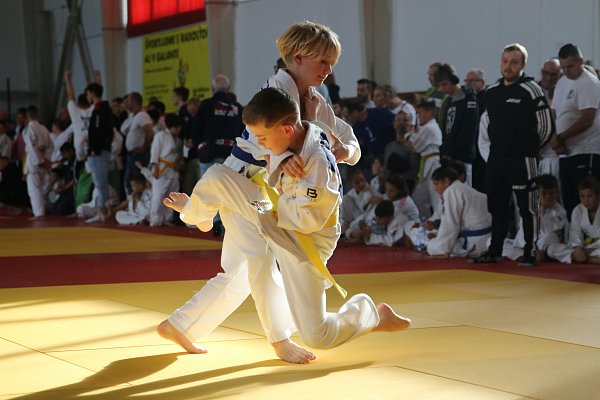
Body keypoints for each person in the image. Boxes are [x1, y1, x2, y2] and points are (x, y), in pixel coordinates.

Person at [157, 21, 362, 364]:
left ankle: (180, 325)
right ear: (298, 57)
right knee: (261, 261)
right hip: (245, 179)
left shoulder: (315, 98)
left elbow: (347, 137)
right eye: (323, 62)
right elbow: (261, 136)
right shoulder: (277, 90)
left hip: (261, 187)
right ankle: (279, 339)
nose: (329, 70)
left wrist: (345, 152)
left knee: (238, 272)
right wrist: (284, 158)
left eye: (332, 63)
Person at [165, 87, 411, 357]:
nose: (261, 145)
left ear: (285, 130)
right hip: (276, 215)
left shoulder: (316, 168)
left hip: (303, 240)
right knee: (217, 177)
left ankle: (372, 316)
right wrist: (278, 161)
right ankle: (198, 215)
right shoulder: (305, 130)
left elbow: (307, 220)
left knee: (316, 335)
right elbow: (308, 129)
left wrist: (278, 182)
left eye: (263, 138)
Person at [474, 43, 554, 267]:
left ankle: (530, 252)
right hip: (496, 160)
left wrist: (530, 149)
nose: (508, 66)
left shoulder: (531, 89)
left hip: (523, 159)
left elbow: (546, 127)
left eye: (514, 62)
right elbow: (487, 126)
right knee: (496, 206)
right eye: (505, 61)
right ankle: (494, 251)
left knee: (528, 207)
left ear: (523, 65)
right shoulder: (492, 92)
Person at [550, 43, 600, 219]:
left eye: (570, 66)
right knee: (570, 199)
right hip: (566, 152)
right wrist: (555, 140)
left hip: (585, 150)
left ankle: (592, 234)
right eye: (563, 67)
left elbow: (587, 119)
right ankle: (574, 234)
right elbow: (556, 114)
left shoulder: (589, 83)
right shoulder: (562, 82)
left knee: (587, 201)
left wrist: (561, 138)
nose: (566, 71)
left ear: (580, 61)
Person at [418, 165, 491, 258]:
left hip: (474, 244)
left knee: (431, 247)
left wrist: (443, 249)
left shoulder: (452, 190)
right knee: (433, 235)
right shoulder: (465, 189)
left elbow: (450, 223)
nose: (435, 189)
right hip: (486, 239)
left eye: (436, 184)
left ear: (446, 181)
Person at [504, 174, 567, 263]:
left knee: (550, 236)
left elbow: (547, 231)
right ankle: (524, 255)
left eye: (551, 193)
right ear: (537, 193)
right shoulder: (529, 207)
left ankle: (531, 255)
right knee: (493, 242)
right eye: (544, 193)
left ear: (557, 193)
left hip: (544, 243)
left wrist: (543, 210)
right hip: (525, 245)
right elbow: (523, 230)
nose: (548, 197)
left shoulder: (560, 211)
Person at [434, 63, 479, 185]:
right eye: (439, 85)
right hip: (449, 154)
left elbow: (469, 129)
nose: (442, 88)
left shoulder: (468, 98)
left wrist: (453, 150)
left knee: (463, 189)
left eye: (445, 84)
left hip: (462, 154)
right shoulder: (448, 100)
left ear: (453, 80)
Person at [136, 113, 182, 226]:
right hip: (161, 169)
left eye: (179, 127)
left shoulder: (178, 140)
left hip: (173, 170)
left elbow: (179, 155)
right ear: (171, 126)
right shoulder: (160, 136)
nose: (179, 129)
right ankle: (155, 219)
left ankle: (168, 218)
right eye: (177, 127)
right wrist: (155, 167)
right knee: (158, 195)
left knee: (172, 195)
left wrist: (178, 164)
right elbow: (154, 153)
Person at [194, 74, 245, 177]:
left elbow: (196, 129)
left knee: (206, 185)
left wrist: (200, 146)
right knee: (228, 186)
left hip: (208, 153)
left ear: (212, 88)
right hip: (231, 155)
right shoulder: (237, 108)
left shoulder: (206, 105)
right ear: (229, 89)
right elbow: (242, 132)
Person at [547, 176, 600, 264]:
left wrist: (589, 250)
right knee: (551, 249)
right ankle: (586, 258)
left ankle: (586, 259)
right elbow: (575, 234)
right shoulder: (577, 210)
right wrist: (578, 248)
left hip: (596, 248)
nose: (586, 200)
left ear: (598, 196)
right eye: (582, 196)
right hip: (584, 249)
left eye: (590, 196)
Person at [406, 100, 442, 218]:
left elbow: (413, 145)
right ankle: (426, 221)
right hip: (427, 163)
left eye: (420, 113)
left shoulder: (429, 128)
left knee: (436, 198)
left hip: (433, 164)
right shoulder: (427, 127)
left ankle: (438, 222)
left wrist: (410, 134)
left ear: (429, 113)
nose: (418, 116)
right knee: (418, 198)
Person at [85, 82, 114, 218]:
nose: (87, 97)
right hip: (101, 150)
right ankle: (103, 210)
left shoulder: (100, 110)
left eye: (88, 94)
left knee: (101, 183)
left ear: (92, 93)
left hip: (99, 152)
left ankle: (103, 211)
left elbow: (98, 132)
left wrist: (94, 149)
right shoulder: (103, 109)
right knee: (100, 183)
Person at [121, 92, 153, 195]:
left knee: (138, 181)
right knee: (129, 181)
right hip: (132, 154)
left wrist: (144, 147)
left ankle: (142, 201)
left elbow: (149, 132)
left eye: (128, 100)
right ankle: (134, 202)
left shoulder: (142, 115)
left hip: (140, 154)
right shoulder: (133, 116)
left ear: (134, 101)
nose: (125, 102)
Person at [23, 105, 53, 219]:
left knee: (34, 189)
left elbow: (31, 147)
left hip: (34, 163)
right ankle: (41, 211)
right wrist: (46, 159)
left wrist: (39, 161)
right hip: (43, 161)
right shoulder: (44, 128)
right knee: (40, 188)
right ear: (38, 114)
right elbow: (51, 145)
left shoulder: (28, 129)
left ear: (27, 116)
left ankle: (39, 214)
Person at [340, 167, 378, 233]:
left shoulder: (370, 189)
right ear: (351, 184)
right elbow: (343, 214)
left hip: (368, 217)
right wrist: (344, 222)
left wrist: (376, 199)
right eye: (357, 182)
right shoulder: (350, 195)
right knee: (345, 199)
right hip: (354, 220)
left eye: (362, 180)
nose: (361, 184)